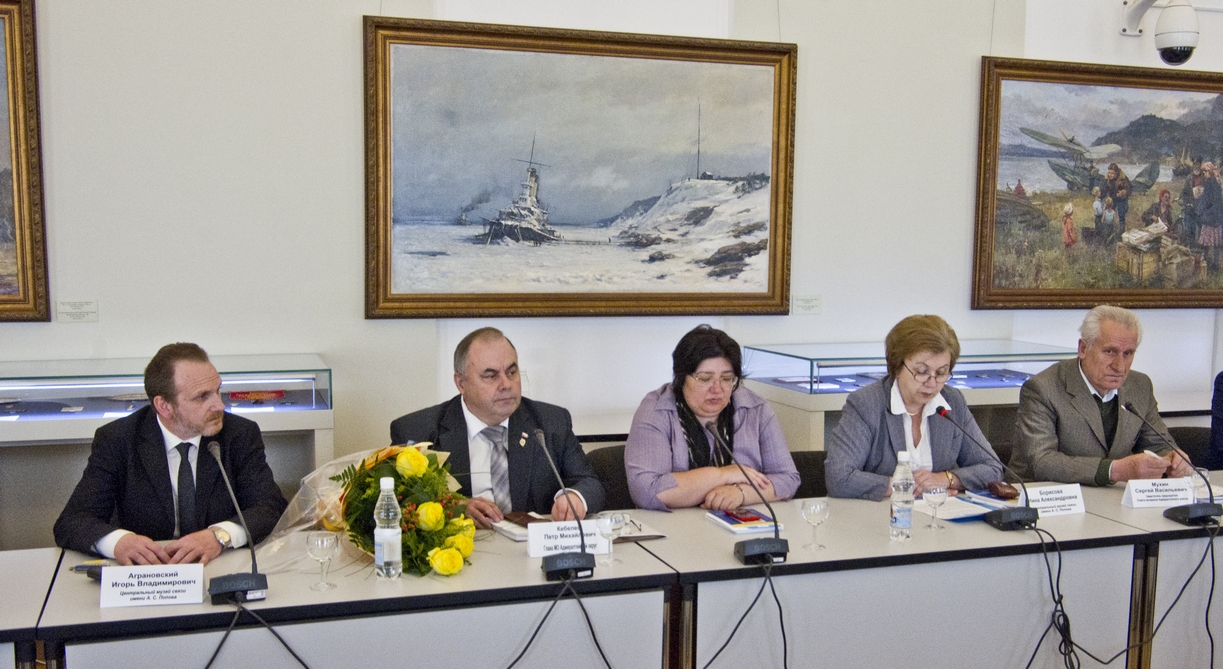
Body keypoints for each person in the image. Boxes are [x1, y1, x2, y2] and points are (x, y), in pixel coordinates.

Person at [53, 343, 288, 565]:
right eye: (202, 397)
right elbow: (73, 521)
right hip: (149, 572)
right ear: (164, 406)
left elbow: (270, 508)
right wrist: (119, 543)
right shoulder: (118, 439)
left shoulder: (239, 434)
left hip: (219, 565)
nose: (219, 405)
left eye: (218, 391)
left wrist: (220, 535)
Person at [390, 327, 604, 528]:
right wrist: (454, 508)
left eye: (512, 372)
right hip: (462, 548)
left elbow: (588, 482)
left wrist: (575, 498)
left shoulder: (550, 422)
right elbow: (398, 503)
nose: (506, 384)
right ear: (461, 383)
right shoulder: (417, 432)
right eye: (491, 376)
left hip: (532, 548)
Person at [825, 316, 1002, 501]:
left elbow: (992, 468)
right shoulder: (866, 404)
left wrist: (945, 479)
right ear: (897, 367)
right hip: (881, 513)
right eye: (922, 372)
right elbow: (838, 478)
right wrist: (906, 486)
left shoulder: (952, 401)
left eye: (941, 373)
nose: (932, 383)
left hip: (938, 513)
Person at [1011, 306, 1193, 485]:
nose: (1119, 366)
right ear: (1083, 349)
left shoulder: (1140, 386)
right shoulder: (1043, 388)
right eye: (1109, 352)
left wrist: (1173, 459)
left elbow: (1157, 444)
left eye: (1128, 353)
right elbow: (1042, 461)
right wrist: (1114, 470)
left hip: (1111, 497)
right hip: (1044, 495)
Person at [625, 325, 799, 511]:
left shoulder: (755, 409)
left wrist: (740, 493)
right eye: (705, 379)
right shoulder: (656, 411)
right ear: (681, 378)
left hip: (741, 521)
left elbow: (788, 480)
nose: (717, 389)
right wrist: (723, 475)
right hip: (673, 524)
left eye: (727, 378)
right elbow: (646, 491)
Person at [1104, 163, 1131, 230]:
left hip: (1122, 199)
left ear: (1116, 173)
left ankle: (1121, 232)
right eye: (1109, 172)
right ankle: (1109, 230)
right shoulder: (1107, 179)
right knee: (1107, 213)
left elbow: (1129, 189)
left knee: (1121, 215)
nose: (1110, 175)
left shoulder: (1123, 178)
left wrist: (1123, 192)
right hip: (1112, 198)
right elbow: (1104, 189)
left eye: (1112, 173)